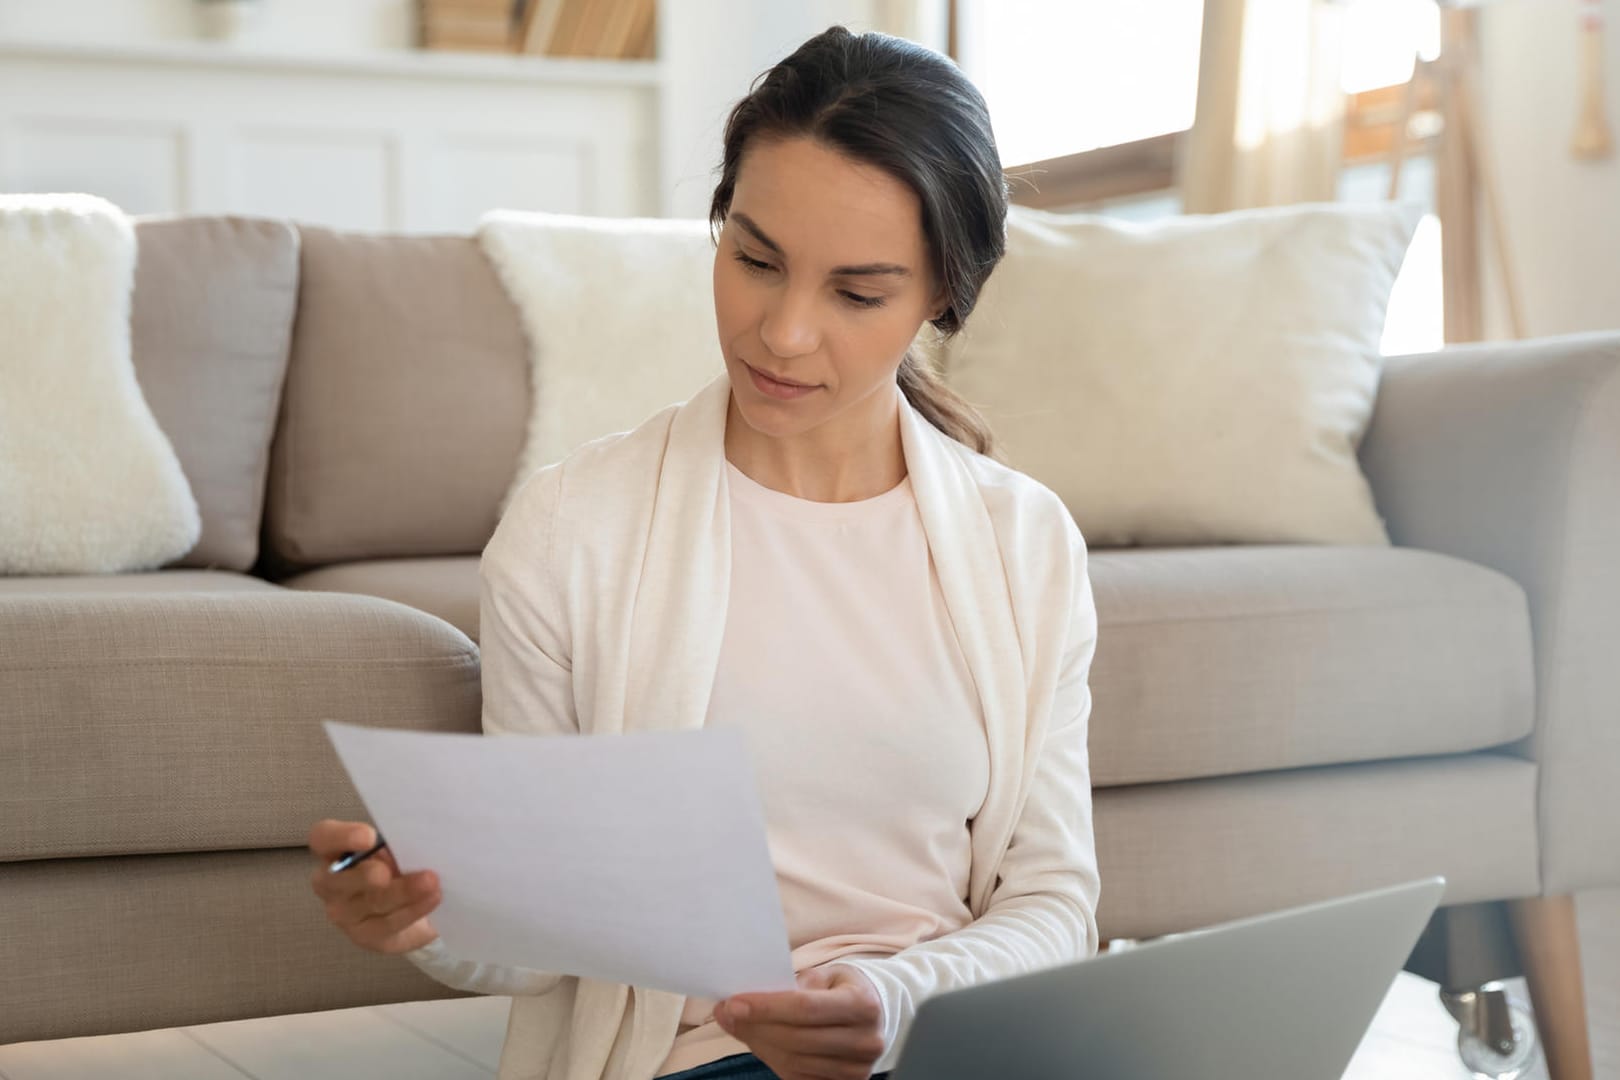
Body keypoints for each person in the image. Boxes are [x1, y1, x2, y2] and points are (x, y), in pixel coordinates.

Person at [308, 24, 1099, 1080]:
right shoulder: (573, 529)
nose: (782, 333)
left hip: (955, 1039)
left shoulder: (1025, 543)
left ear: (943, 296)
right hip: (708, 1057)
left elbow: (1054, 904)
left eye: (857, 294)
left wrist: (892, 997)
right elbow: (540, 940)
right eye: (755, 260)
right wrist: (427, 913)